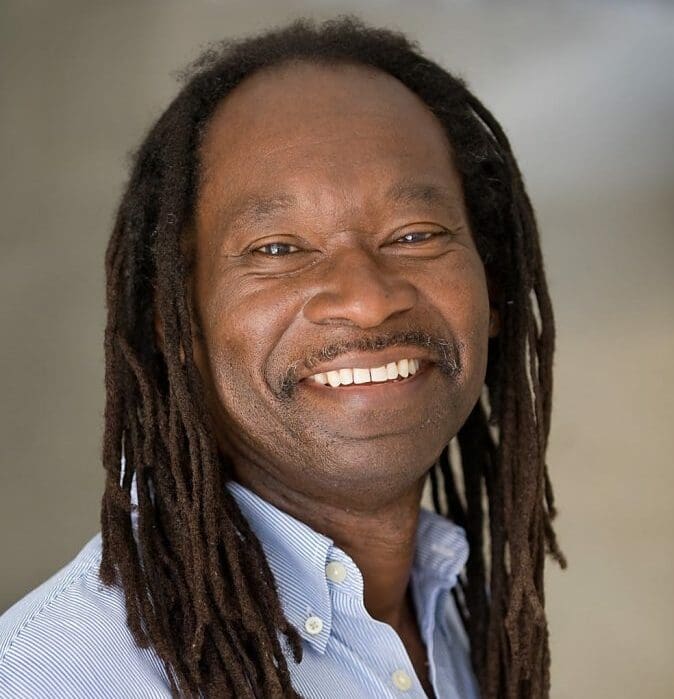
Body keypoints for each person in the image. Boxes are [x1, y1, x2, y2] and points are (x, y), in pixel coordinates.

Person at [0, 17, 566, 699]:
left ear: (493, 287)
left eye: (415, 234)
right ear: (177, 322)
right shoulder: (54, 680)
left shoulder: (466, 625)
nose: (365, 298)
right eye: (278, 249)